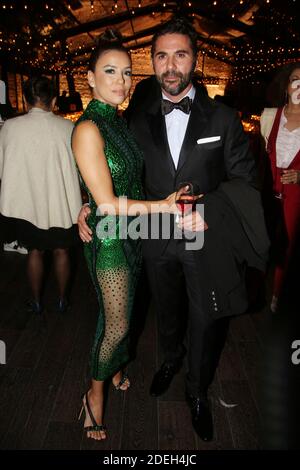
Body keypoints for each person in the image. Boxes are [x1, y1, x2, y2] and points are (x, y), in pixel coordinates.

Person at [78, 17, 269, 441]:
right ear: (153, 61)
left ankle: (197, 390)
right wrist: (86, 205)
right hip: (154, 239)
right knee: (165, 307)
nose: (170, 65)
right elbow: (113, 173)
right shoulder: (135, 118)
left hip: (206, 237)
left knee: (204, 317)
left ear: (195, 60)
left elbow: (246, 181)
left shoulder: (222, 119)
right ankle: (169, 360)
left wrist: (211, 210)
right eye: (161, 55)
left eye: (180, 54)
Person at [72, 29, 179, 441]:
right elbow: (108, 203)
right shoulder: (88, 128)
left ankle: (115, 368)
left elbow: (118, 181)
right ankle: (93, 397)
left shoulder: (116, 119)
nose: (120, 80)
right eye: (110, 71)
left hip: (132, 234)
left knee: (127, 312)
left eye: (127, 72)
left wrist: (86, 202)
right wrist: (162, 208)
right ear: (90, 77)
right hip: (113, 240)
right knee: (114, 324)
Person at [0, 76, 82, 313]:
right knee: (62, 250)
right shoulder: (69, 128)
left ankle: (35, 301)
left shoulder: (10, 129)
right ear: (54, 100)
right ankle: (62, 299)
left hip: (28, 204)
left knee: (34, 251)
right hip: (61, 202)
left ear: (25, 100)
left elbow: (3, 165)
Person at [260, 62, 300, 313]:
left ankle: (278, 295)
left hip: (295, 198)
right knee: (259, 244)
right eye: (295, 79)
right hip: (266, 193)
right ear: (286, 86)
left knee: (288, 249)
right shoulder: (269, 116)